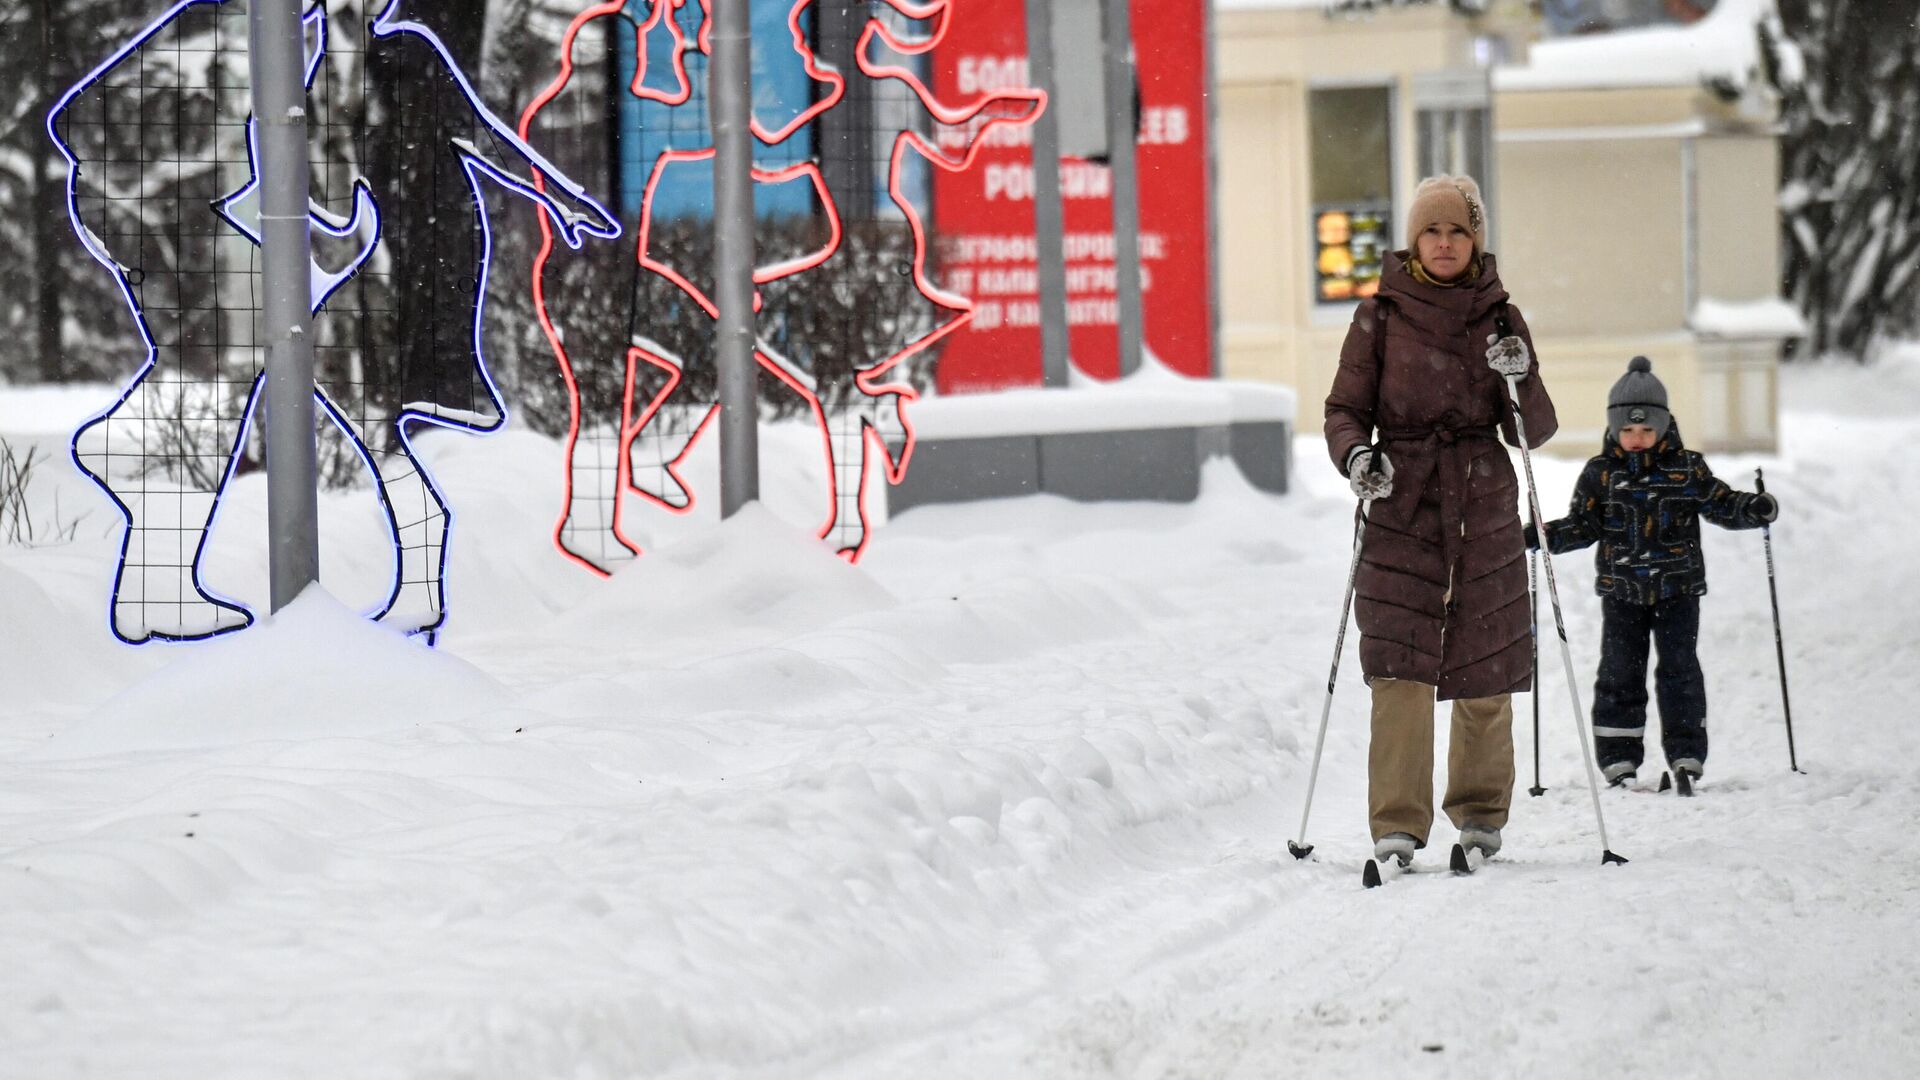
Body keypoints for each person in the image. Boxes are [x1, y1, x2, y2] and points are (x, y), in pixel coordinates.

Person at [1325, 175, 1557, 868]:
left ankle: (1481, 815)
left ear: (1475, 239)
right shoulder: (1380, 317)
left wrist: (1519, 376)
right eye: (1433, 230)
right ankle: (1396, 822)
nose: (1446, 242)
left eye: (1458, 230)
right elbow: (1343, 411)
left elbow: (1534, 430)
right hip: (1402, 504)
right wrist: (1358, 456)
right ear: (1414, 240)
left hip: (1482, 505)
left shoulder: (1500, 317)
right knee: (1399, 669)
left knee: (1485, 664)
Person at [1525, 356, 1778, 788]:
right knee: (1620, 671)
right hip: (1622, 591)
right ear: (1614, 429)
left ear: (1663, 426)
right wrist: (1544, 536)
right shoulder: (1600, 474)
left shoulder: (1686, 469)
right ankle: (1619, 757)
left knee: (1679, 670)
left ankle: (1685, 754)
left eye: (1646, 430)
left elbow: (1720, 503)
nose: (1637, 438)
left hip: (1677, 589)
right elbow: (1584, 526)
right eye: (1628, 430)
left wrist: (1752, 509)